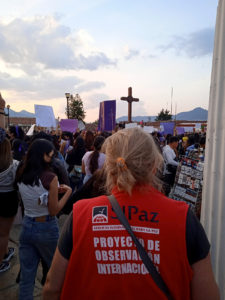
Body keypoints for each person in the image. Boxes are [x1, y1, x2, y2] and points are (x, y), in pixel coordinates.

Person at [43, 128, 219, 300]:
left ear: (109, 167)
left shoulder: (82, 214)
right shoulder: (183, 218)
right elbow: (208, 294)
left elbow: (52, 287)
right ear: (154, 166)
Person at [16, 139, 72, 299]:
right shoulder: (50, 177)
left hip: (27, 225)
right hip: (46, 227)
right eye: (50, 155)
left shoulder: (21, 173)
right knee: (57, 272)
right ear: (43, 155)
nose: (52, 157)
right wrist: (67, 192)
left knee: (27, 277)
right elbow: (54, 211)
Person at [0, 128, 19, 273]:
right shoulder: (14, 165)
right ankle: (2, 259)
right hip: (8, 199)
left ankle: (5, 251)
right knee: (4, 233)